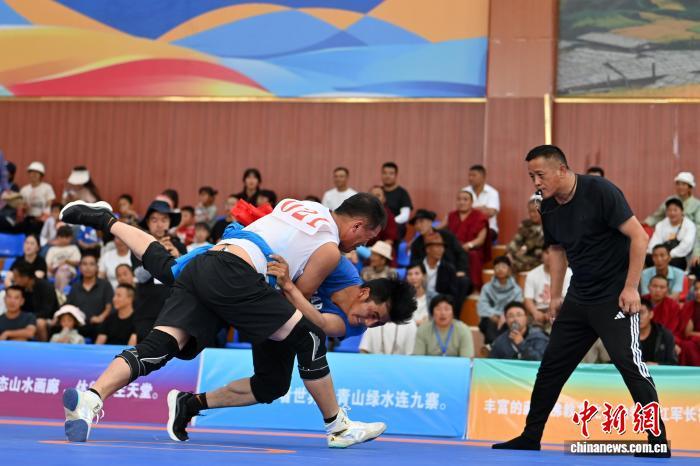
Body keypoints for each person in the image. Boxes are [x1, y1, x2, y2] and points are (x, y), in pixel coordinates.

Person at [59, 194, 391, 447]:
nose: (363, 245)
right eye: (367, 237)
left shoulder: (302, 205)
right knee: (309, 337)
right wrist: (294, 284)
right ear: (357, 225)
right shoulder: (330, 249)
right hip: (238, 275)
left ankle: (90, 398)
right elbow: (294, 295)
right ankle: (338, 427)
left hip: (212, 259)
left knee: (159, 344)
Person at [493, 145, 670, 458]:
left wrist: (631, 288)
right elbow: (557, 250)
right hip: (579, 296)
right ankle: (530, 436)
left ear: (562, 169)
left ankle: (657, 441)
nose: (536, 182)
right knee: (551, 367)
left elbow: (640, 237)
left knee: (630, 365)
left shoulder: (600, 191)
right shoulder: (547, 205)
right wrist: (556, 295)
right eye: (532, 177)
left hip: (615, 297)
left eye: (540, 175)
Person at [446, 189, 489, 289]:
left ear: (471, 202)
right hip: (454, 248)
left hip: (471, 248)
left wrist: (469, 245)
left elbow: (481, 239)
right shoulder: (451, 215)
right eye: (459, 199)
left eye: (465, 199)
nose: (462, 202)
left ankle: (474, 287)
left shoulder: (479, 216)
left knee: (473, 255)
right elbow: (440, 228)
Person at [67, 255, 114, 340]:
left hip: (99, 323)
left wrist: (100, 318)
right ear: (80, 268)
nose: (88, 267)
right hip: (79, 324)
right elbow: (70, 307)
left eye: (91, 264)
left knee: (103, 328)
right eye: (84, 264)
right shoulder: (75, 286)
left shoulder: (105, 285)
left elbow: (109, 306)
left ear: (97, 268)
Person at [477, 256, 523, 344]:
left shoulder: (516, 290)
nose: (500, 269)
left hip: (509, 318)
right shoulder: (487, 288)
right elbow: (482, 306)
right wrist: (494, 315)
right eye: (497, 267)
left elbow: (517, 307)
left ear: (509, 270)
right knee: (490, 324)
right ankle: (492, 347)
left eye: (503, 267)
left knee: (512, 324)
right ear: (494, 270)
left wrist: (505, 316)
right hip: (490, 317)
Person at [523, 246, 572, 327]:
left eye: (553, 253)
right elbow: (528, 299)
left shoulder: (568, 273)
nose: (550, 256)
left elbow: (567, 298)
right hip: (538, 311)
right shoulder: (532, 274)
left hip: (561, 310)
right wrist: (535, 312)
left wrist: (552, 312)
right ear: (542, 254)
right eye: (547, 252)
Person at [10, 261, 58, 341]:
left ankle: (43, 347)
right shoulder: (19, 288)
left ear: (25, 277)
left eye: (16, 276)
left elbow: (47, 312)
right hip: (27, 317)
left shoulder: (46, 287)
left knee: (39, 323)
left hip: (48, 319)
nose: (14, 279)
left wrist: (27, 318)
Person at [646, 197, 696, 270]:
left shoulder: (689, 225)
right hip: (661, 254)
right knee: (648, 258)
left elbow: (686, 245)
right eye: (669, 210)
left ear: (682, 211)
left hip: (677, 256)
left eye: (675, 210)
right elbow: (654, 242)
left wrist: (669, 255)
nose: (672, 213)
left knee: (675, 262)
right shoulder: (661, 224)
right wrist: (657, 254)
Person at [506, 197, 544, 273]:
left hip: (540, 257)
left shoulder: (549, 225)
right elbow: (516, 241)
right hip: (524, 256)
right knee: (505, 261)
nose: (532, 214)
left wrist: (526, 247)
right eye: (530, 211)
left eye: (535, 211)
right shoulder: (525, 224)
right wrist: (510, 253)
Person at [463, 165, 500, 242]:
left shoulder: (492, 192)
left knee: (479, 236)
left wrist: (470, 210)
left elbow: (491, 213)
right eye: (469, 175)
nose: (470, 178)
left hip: (489, 228)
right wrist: (482, 208)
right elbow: (461, 211)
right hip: (467, 227)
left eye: (474, 175)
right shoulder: (464, 191)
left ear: (483, 177)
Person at [19, 161, 55, 236]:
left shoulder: (47, 188)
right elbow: (21, 207)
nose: (33, 175)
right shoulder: (24, 190)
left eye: (36, 173)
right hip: (28, 218)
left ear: (41, 175)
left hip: (42, 220)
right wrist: (24, 207)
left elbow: (49, 204)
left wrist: (42, 217)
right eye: (32, 173)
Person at [638, 298, 677, 365]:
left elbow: (673, 363)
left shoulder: (665, 335)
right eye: (634, 313)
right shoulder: (626, 335)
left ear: (651, 314)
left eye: (642, 313)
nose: (638, 317)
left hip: (658, 371)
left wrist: (657, 365)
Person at [381, 162, 412, 240]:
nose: (387, 176)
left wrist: (389, 222)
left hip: (395, 227)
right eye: (385, 173)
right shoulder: (378, 191)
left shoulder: (402, 193)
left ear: (396, 175)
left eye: (391, 173)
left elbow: (405, 216)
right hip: (377, 226)